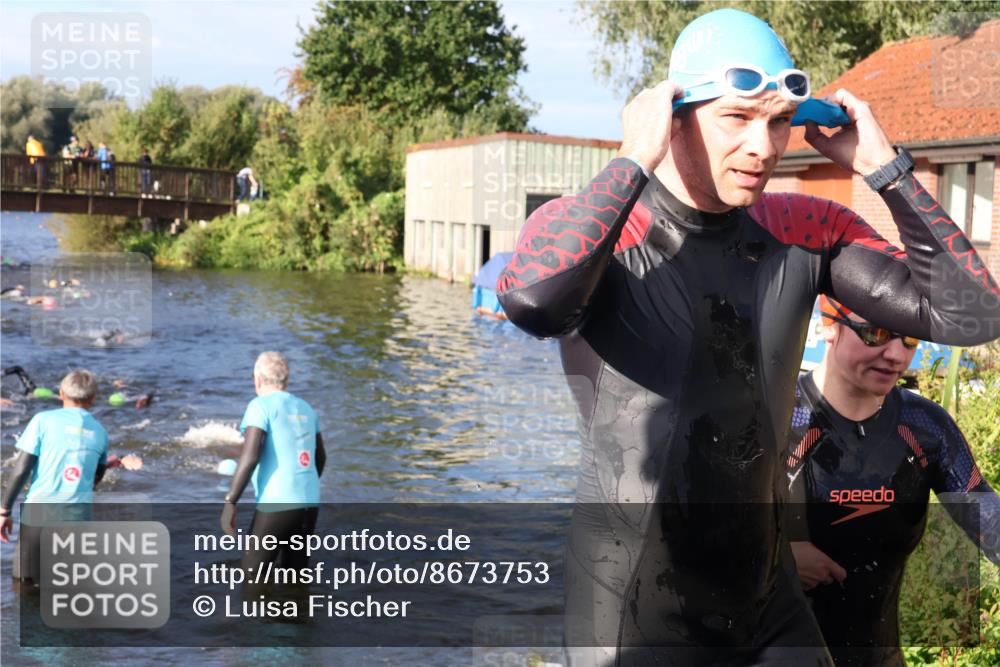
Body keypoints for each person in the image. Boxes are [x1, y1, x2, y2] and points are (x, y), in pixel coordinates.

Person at [495, 8, 1000, 666]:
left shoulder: (802, 229)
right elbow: (535, 302)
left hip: (765, 602)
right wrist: (634, 156)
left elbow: (972, 315)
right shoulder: (598, 228)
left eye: (779, 121)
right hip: (631, 609)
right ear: (673, 117)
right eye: (736, 117)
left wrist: (887, 168)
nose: (764, 146)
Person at [784, 297, 1000, 666]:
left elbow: (986, 517)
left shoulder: (924, 427)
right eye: (876, 333)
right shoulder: (782, 418)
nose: (897, 355)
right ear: (829, 325)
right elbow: (699, 536)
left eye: (910, 338)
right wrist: (779, 562)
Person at [221, 352, 326, 581]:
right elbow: (320, 459)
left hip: (276, 504)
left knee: (252, 578)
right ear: (286, 380)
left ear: (257, 379)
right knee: (295, 579)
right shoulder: (306, 408)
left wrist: (230, 502)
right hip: (309, 504)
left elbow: (250, 457)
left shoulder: (259, 406)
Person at [0, 370, 109, 584]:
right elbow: (97, 475)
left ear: (61, 393)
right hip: (77, 517)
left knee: (25, 583)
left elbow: (22, 468)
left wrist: (4, 510)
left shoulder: (43, 420)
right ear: (93, 398)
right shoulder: (100, 432)